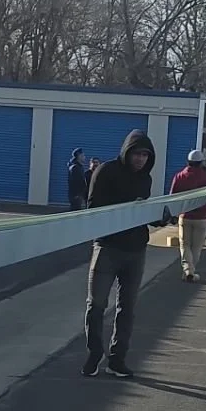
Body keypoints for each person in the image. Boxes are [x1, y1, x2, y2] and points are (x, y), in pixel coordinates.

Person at [81, 130, 158, 378]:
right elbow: (93, 207)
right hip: (107, 248)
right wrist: (126, 205)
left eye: (145, 155)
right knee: (96, 305)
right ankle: (95, 352)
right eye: (137, 153)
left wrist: (159, 216)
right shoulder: (105, 171)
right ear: (127, 152)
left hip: (136, 251)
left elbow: (144, 211)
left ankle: (117, 359)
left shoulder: (146, 179)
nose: (140, 159)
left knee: (127, 307)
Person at [169, 148, 206, 282]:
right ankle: (190, 271)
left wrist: (173, 213)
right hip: (202, 216)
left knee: (185, 244)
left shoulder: (179, 176)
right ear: (201, 162)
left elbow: (173, 196)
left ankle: (188, 270)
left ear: (188, 161)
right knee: (196, 246)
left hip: (185, 216)